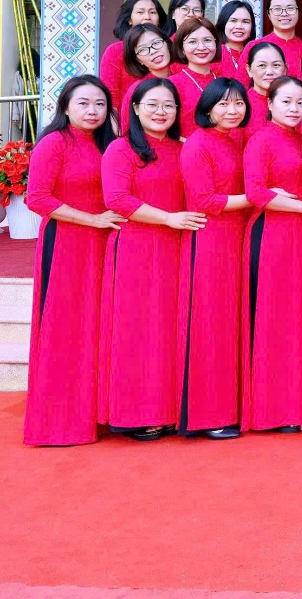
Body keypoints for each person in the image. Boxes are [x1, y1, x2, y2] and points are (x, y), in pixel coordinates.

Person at [99, 77, 203, 440]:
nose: (161, 112)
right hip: (138, 249)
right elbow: (117, 199)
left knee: (172, 328)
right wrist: (168, 218)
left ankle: (172, 408)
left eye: (169, 105)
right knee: (140, 330)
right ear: (135, 109)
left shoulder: (184, 147)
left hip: (180, 247)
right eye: (152, 105)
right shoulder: (121, 149)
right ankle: (137, 412)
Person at [23, 77, 122, 447]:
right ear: (65, 107)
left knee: (97, 326)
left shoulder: (109, 145)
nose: (92, 111)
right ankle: (59, 422)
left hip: (105, 244)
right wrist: (92, 219)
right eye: (83, 103)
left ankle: (95, 413)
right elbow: (38, 198)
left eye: (99, 104)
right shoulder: (54, 143)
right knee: (65, 328)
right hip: (67, 244)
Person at [242, 76, 302, 433]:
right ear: (270, 104)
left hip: (301, 234)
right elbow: (256, 192)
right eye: (286, 102)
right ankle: (272, 411)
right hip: (274, 235)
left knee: (297, 320)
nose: (294, 109)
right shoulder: (261, 140)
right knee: (275, 320)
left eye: (300, 103)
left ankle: (296, 404)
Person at [177, 78, 251, 439]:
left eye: (238, 103)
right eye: (223, 104)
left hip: (239, 239)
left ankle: (233, 407)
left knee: (233, 324)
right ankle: (209, 415)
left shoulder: (237, 140)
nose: (232, 110)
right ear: (206, 109)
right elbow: (205, 200)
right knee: (212, 324)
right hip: (211, 240)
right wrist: (259, 197)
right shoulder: (197, 144)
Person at [102, 0, 166, 112]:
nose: (147, 17)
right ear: (129, 20)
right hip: (126, 122)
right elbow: (111, 96)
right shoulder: (115, 51)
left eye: (152, 12)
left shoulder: (166, 48)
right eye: (140, 12)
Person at [169, 16, 222, 138]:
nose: (202, 47)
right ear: (182, 48)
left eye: (207, 40)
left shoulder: (223, 82)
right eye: (193, 42)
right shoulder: (172, 85)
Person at [118, 24, 176, 122]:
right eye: (142, 50)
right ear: (138, 60)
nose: (153, 51)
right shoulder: (136, 90)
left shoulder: (186, 77)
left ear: (167, 43)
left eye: (156, 43)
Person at [248, 0, 302, 78]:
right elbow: (241, 86)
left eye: (290, 8)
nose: (284, 14)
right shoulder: (253, 46)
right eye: (277, 9)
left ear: (298, 12)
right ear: (268, 14)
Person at [243, 41, 287, 137]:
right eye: (262, 65)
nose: (269, 72)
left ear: (285, 70)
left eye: (276, 65)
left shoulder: (294, 104)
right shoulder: (241, 105)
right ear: (249, 70)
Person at [214, 0, 256, 85]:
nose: (239, 26)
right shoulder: (213, 53)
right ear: (223, 24)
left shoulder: (256, 53)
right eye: (233, 21)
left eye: (245, 22)